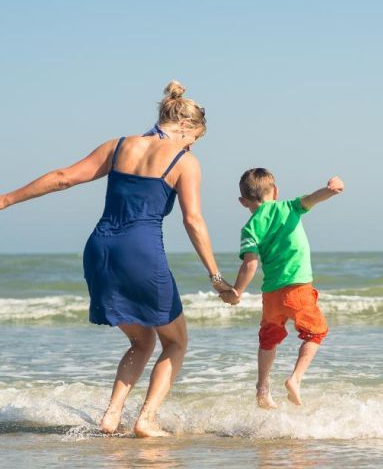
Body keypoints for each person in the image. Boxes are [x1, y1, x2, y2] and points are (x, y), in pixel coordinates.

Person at [0, 81, 235, 437]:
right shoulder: (185, 162)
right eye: (194, 139)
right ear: (186, 127)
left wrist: (7, 199)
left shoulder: (118, 146)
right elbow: (193, 220)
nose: (192, 146)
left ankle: (111, 416)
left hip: (100, 249)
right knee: (175, 342)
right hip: (140, 250)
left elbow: (63, 178)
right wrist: (216, 277)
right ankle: (146, 419)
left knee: (141, 340)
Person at [220, 168, 344, 408]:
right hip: (298, 288)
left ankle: (262, 389)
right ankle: (295, 379)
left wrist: (237, 291)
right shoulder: (288, 207)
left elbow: (251, 264)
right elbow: (311, 198)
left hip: (271, 294)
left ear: (243, 202)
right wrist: (329, 191)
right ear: (275, 192)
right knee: (315, 333)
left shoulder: (249, 228)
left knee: (268, 339)